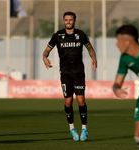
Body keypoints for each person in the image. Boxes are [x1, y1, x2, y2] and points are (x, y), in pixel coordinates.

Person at [43, 11, 97, 141]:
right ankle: (72, 128)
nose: (68, 22)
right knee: (68, 102)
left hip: (78, 72)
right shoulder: (57, 36)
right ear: (64, 21)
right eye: (66, 20)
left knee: (80, 100)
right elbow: (47, 50)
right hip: (65, 73)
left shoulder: (81, 34)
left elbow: (89, 48)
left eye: (71, 20)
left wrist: (94, 58)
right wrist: (45, 57)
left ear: (74, 21)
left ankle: (84, 128)